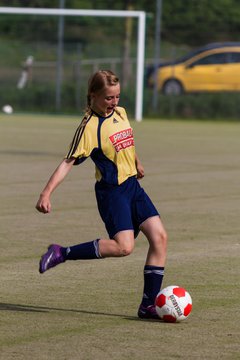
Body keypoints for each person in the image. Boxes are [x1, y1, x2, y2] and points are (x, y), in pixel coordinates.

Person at [36, 70, 167, 319]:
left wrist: (136, 161)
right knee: (123, 247)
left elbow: (126, 139)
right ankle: (61, 253)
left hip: (133, 187)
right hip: (112, 192)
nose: (114, 102)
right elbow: (67, 162)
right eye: (108, 98)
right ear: (93, 95)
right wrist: (46, 193)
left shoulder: (120, 112)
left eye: (117, 96)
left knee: (160, 238)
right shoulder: (88, 128)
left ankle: (148, 305)